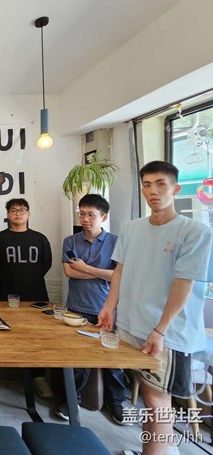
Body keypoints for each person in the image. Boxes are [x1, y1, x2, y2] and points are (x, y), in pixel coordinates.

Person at [99, 161, 213, 455]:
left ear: (175, 189)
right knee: (150, 399)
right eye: (147, 185)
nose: (153, 191)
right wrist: (110, 306)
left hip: (167, 334)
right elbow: (120, 270)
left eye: (161, 184)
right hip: (131, 324)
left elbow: (184, 283)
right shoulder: (132, 228)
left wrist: (160, 330)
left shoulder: (195, 231)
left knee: (157, 401)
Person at [54, 194, 128, 425]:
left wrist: (85, 268)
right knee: (77, 358)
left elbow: (119, 275)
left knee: (113, 359)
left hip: (107, 308)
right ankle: (71, 400)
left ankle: (117, 402)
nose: (85, 219)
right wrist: (102, 273)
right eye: (82, 214)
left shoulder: (116, 241)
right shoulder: (70, 241)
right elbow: (69, 272)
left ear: (103, 217)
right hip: (76, 307)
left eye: (91, 215)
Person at [0, 198, 53, 398]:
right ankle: (9, 372)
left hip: (37, 294)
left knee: (37, 336)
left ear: (29, 214)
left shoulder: (40, 238)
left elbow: (46, 264)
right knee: (9, 333)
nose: (18, 213)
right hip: (9, 294)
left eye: (22, 210)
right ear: (8, 214)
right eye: (13, 210)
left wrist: (30, 278)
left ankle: (38, 376)